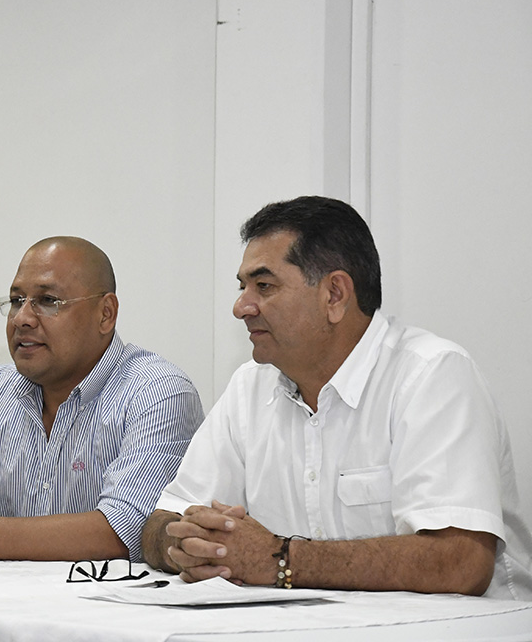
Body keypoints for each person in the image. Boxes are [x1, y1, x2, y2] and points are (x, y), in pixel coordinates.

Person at [141, 196, 532, 599]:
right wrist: (188, 546)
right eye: (243, 287)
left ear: (334, 294)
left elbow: (460, 563)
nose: (241, 306)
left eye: (264, 286)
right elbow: (161, 521)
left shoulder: (432, 374)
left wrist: (279, 560)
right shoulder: (249, 387)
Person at [0, 237, 203, 562]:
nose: (22, 319)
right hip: (8, 608)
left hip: (113, 611)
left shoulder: (157, 392)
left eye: (47, 301)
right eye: (16, 300)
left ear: (106, 313)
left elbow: (123, 530)